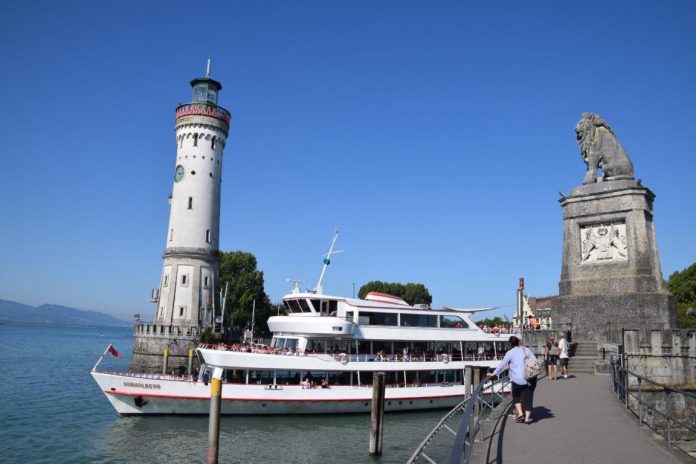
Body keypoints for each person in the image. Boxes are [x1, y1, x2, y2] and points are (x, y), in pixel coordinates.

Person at [488, 335, 538, 424]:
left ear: (510, 344)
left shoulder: (510, 352)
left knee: (516, 397)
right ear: (519, 342)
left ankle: (520, 413)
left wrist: (494, 373)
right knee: (528, 399)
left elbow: (502, 364)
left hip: (517, 380)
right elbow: (535, 361)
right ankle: (527, 419)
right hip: (529, 378)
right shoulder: (526, 350)